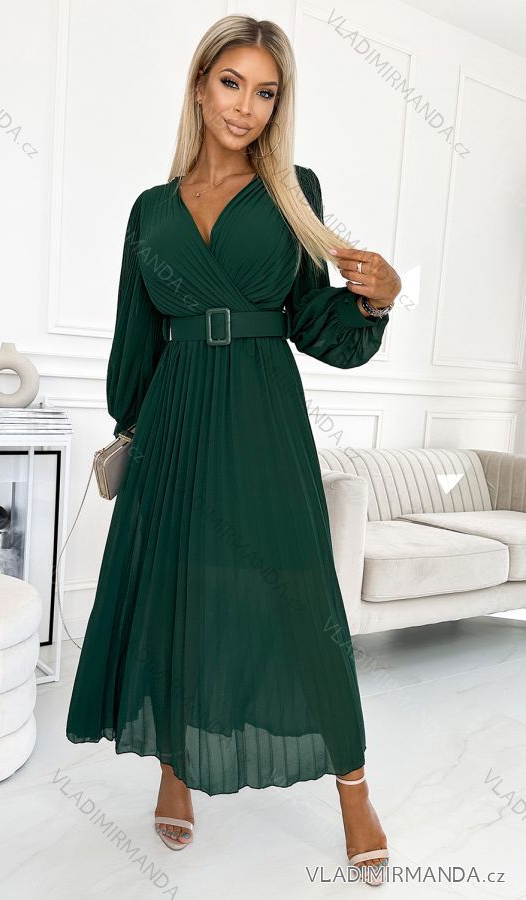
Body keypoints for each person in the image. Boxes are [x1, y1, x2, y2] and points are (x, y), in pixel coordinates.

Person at [66, 13, 400, 885]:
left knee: (297, 597)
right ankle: (176, 767)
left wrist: (378, 298)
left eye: (265, 92)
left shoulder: (293, 192)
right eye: (231, 82)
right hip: (173, 420)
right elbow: (134, 335)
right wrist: (131, 428)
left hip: (260, 416)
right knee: (178, 592)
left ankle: (353, 787)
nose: (245, 106)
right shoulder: (150, 210)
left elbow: (319, 324)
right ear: (199, 84)